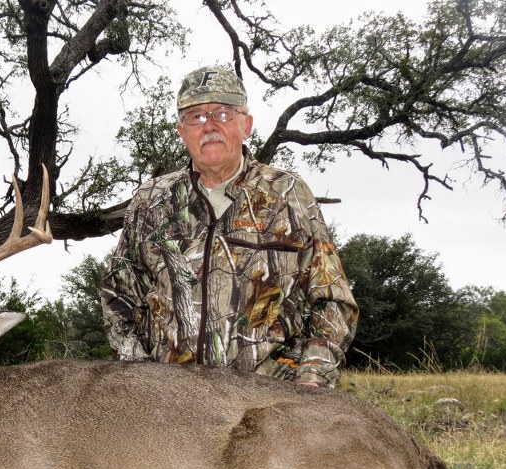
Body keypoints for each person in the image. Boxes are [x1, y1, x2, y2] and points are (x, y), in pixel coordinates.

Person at [101, 65, 358, 388]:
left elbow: (332, 298)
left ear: (246, 125)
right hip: (169, 400)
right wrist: (141, 379)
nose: (209, 126)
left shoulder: (288, 194)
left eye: (222, 114)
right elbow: (119, 296)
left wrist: (312, 377)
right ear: (181, 130)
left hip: (269, 397)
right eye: (195, 116)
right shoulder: (151, 200)